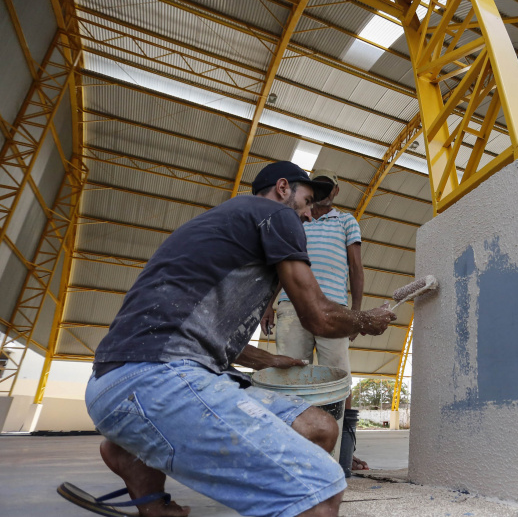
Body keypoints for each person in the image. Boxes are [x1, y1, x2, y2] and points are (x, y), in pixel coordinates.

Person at [80, 161, 396, 517]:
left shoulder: (219, 226)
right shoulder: (276, 216)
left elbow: (197, 333)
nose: (309, 215)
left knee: (320, 427)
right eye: (307, 201)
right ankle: (292, 498)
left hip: (110, 385)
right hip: (158, 379)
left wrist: (269, 360)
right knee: (320, 489)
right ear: (282, 189)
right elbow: (318, 316)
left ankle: (136, 465)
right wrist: (366, 319)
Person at [259, 169, 368, 474]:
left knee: (339, 380)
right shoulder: (296, 220)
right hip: (291, 307)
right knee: (289, 375)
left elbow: (356, 268)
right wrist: (269, 304)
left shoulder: (346, 221)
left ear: (335, 191)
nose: (321, 192)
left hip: (333, 310)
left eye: (327, 187)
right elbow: (284, 266)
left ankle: (341, 457)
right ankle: (289, 455)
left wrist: (356, 314)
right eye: (315, 187)